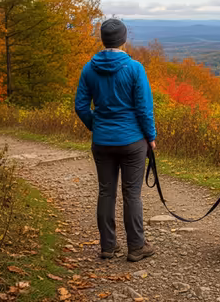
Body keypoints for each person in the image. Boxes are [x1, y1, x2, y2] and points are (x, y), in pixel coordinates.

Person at [75, 18, 156, 262]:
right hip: (132, 141)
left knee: (106, 193)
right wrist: (150, 136)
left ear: (103, 39)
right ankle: (136, 247)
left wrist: (96, 125)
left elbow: (81, 106)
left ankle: (108, 247)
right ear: (123, 39)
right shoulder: (134, 68)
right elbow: (144, 108)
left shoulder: (89, 68)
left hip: (102, 141)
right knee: (132, 194)